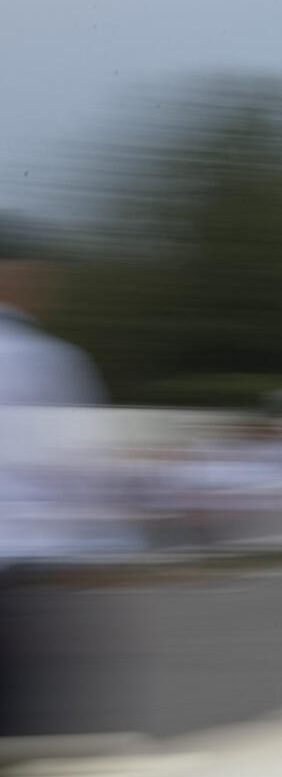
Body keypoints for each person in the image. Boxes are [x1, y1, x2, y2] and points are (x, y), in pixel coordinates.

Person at [0, 214, 132, 743]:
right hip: (19, 576)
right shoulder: (47, 360)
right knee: (24, 735)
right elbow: (78, 470)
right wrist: (109, 549)